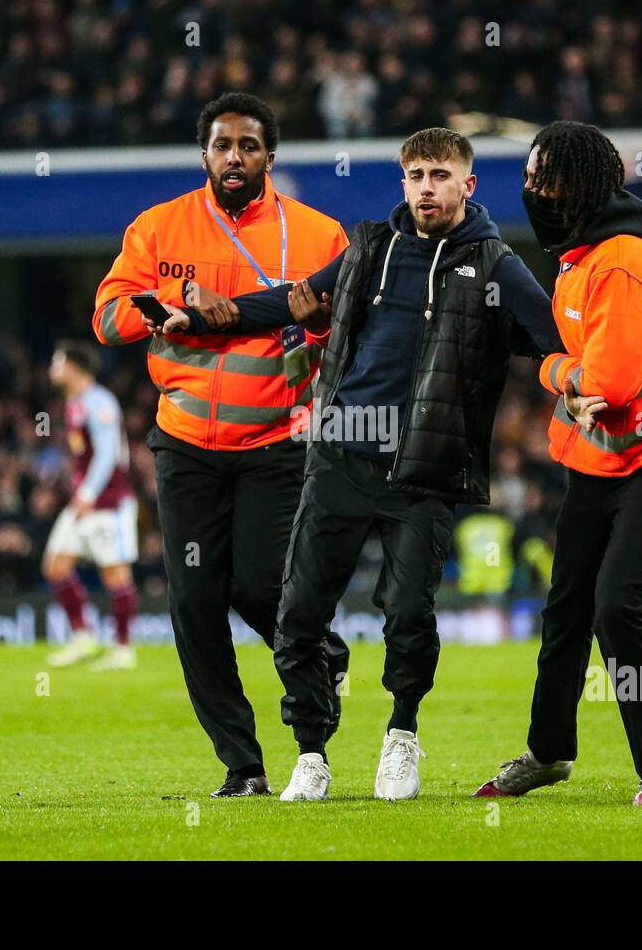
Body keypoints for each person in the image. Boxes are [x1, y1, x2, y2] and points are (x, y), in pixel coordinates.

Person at [152, 127, 565, 802]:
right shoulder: (371, 246)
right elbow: (290, 297)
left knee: (408, 616)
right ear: (402, 183)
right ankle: (311, 753)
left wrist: (571, 374)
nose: (427, 187)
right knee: (298, 618)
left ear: (468, 184)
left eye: (440, 174)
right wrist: (203, 322)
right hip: (340, 455)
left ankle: (402, 735)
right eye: (416, 175)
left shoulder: (493, 264)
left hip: (423, 467)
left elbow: (549, 335)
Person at [92, 92, 352, 797]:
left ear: (270, 155)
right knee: (194, 600)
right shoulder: (158, 229)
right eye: (221, 146)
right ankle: (242, 764)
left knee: (259, 585)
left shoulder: (321, 235)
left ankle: (319, 653)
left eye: (247, 146)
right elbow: (107, 316)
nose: (233, 157)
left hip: (276, 441)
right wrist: (151, 315)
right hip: (185, 444)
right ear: (203, 155)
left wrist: (320, 326)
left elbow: (350, 331)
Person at [474, 121, 642, 806]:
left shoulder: (630, 261)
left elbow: (606, 383)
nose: (530, 190)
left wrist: (551, 366)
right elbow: (582, 382)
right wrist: (568, 376)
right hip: (601, 458)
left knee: (616, 603)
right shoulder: (579, 259)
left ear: (576, 183)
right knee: (567, 609)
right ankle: (549, 752)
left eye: (539, 176)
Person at [44, 341, 140, 673]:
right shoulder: (75, 403)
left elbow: (108, 453)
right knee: (55, 564)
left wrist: (86, 493)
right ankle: (83, 637)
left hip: (107, 502)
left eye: (57, 363)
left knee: (114, 573)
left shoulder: (100, 402)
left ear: (74, 367)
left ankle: (123, 648)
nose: (52, 370)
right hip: (85, 501)